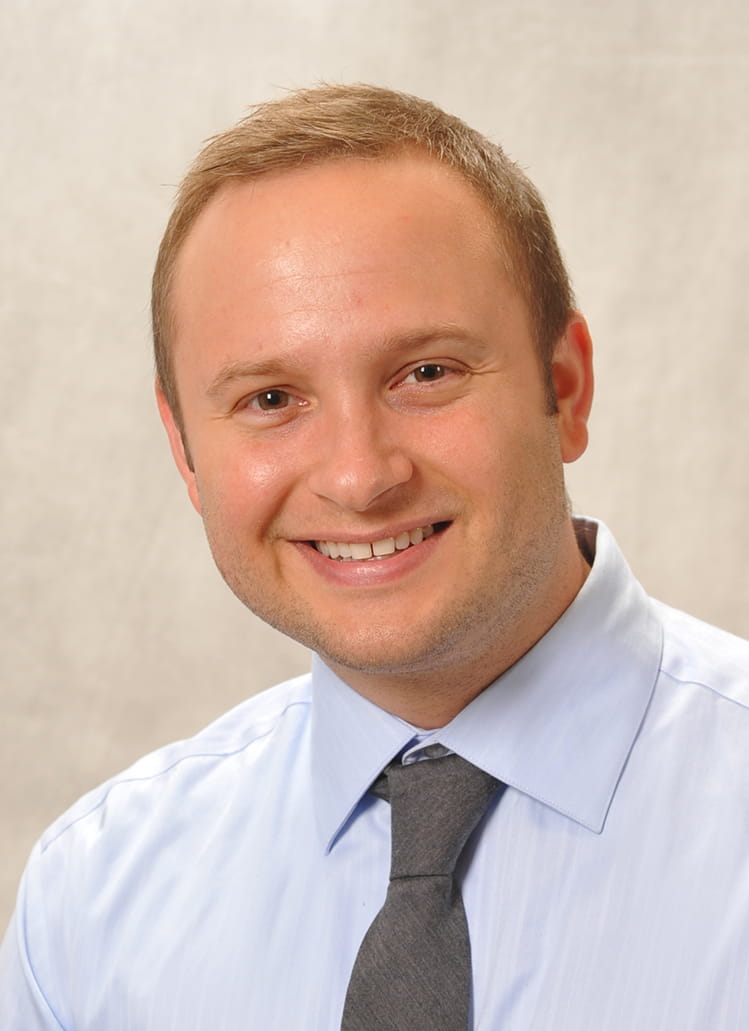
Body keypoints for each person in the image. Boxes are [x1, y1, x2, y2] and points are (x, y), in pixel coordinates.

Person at [1, 83, 748, 1030]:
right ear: (184, 448)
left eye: (426, 373)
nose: (358, 477)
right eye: (271, 399)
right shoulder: (91, 906)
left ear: (564, 387)